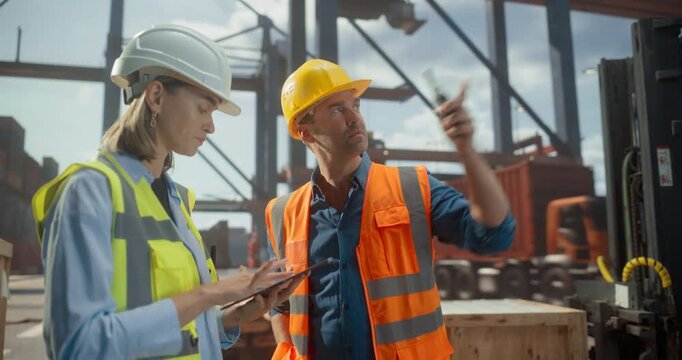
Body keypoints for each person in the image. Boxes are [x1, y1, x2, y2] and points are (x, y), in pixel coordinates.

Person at [32, 24, 302, 359]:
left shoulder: (174, 202)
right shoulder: (90, 192)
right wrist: (209, 293)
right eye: (204, 109)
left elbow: (183, 335)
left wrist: (232, 316)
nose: (211, 126)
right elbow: (79, 347)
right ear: (157, 95)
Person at [265, 59, 516, 360]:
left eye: (354, 105)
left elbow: (493, 234)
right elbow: (279, 304)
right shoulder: (282, 213)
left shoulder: (413, 188)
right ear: (305, 131)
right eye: (336, 109)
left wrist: (466, 149)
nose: (355, 118)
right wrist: (286, 349)